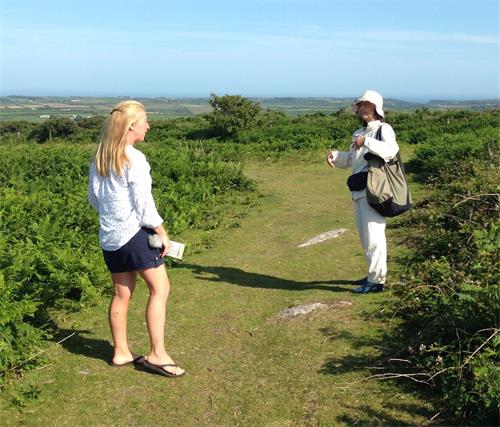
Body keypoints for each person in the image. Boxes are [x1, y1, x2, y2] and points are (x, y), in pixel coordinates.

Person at [88, 100, 185, 377]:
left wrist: (114, 217)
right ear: (132, 126)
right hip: (135, 234)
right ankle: (157, 354)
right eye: (145, 121)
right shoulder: (134, 158)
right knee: (160, 289)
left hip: (110, 237)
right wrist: (162, 233)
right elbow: (144, 204)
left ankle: (121, 352)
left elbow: (94, 199)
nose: (148, 126)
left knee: (122, 294)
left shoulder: (100, 157)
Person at [326, 90, 399, 293]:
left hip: (375, 190)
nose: (362, 109)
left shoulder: (383, 129)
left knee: (374, 237)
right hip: (359, 191)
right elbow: (352, 159)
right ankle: (372, 275)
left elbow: (390, 151)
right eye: (361, 105)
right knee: (365, 237)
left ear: (375, 107)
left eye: (366, 105)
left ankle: (376, 281)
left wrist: (366, 142)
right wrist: (336, 156)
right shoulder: (359, 132)